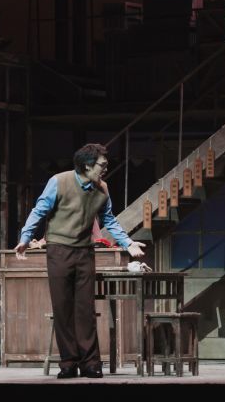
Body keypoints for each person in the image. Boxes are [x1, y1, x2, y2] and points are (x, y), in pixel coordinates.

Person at [14, 143, 146, 379]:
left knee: (85, 309)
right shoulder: (60, 181)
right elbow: (39, 211)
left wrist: (128, 243)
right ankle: (68, 363)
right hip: (59, 250)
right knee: (62, 307)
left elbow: (109, 220)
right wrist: (25, 238)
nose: (105, 169)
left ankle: (90, 363)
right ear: (87, 165)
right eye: (102, 165)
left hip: (85, 251)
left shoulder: (102, 188)